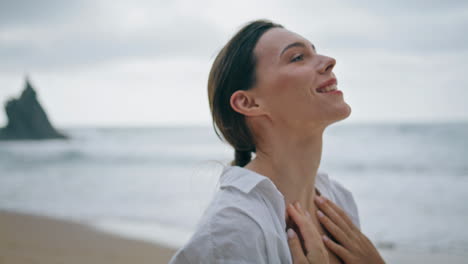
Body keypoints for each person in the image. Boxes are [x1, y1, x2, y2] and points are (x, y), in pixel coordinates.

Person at [169, 19, 386, 264]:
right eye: (297, 57)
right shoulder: (233, 229)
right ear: (249, 103)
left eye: (314, 51)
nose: (328, 61)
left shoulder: (338, 201)